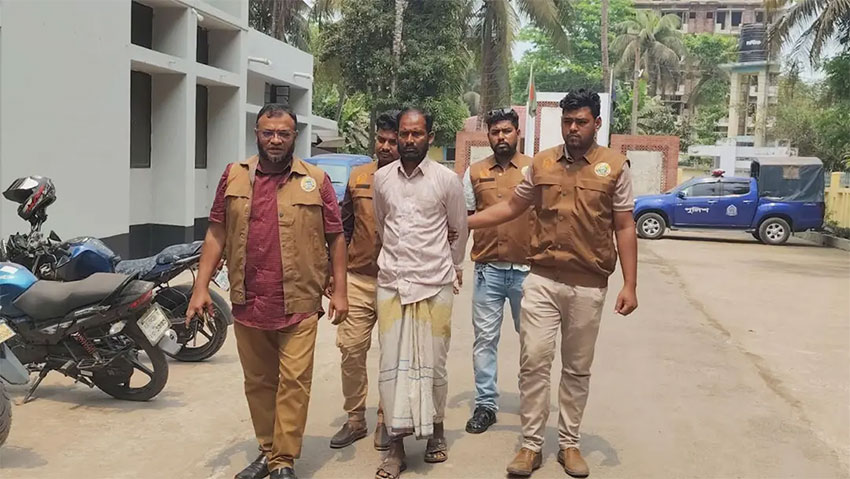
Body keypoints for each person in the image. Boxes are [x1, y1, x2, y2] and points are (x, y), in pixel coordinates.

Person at [468, 90, 639, 478]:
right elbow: (511, 206)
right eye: (567, 122)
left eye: (581, 122)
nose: (573, 128)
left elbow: (625, 226)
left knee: (577, 368)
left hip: (588, 285)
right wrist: (465, 221)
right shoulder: (542, 163)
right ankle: (530, 445)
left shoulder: (615, 167)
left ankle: (569, 444)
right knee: (534, 362)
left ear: (597, 123)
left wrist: (630, 284)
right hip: (542, 280)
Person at [186, 103, 349, 479]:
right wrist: (200, 286)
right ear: (257, 134)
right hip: (249, 299)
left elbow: (336, 236)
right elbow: (216, 232)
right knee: (259, 383)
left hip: (299, 300)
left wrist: (340, 290)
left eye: (283, 134)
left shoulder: (316, 180)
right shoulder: (234, 176)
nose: (275, 140)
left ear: (295, 136)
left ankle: (282, 461)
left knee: (294, 382)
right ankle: (267, 449)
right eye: (268, 133)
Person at [372, 107, 468, 479]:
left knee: (434, 363)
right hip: (393, 284)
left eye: (416, 134)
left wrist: (453, 267)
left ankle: (436, 430)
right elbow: (382, 224)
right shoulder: (382, 179)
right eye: (404, 133)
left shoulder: (447, 180)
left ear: (430, 136)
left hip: (435, 283)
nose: (409, 140)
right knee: (391, 366)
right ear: (396, 136)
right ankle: (395, 446)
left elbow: (458, 228)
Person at [330, 111, 400, 451]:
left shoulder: (412, 180)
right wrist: (335, 275)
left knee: (393, 354)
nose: (385, 146)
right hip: (358, 278)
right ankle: (355, 418)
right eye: (381, 140)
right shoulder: (358, 176)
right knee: (351, 348)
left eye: (392, 141)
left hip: (397, 282)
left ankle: (386, 419)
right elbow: (343, 228)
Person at [461, 107, 532, 434]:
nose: (501, 137)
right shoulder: (474, 172)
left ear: (517, 133)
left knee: (532, 340)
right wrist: (455, 264)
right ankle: (486, 404)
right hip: (487, 270)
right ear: (488, 136)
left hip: (527, 271)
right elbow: (464, 220)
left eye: (506, 131)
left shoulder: (535, 169)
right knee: (485, 340)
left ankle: (531, 398)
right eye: (495, 132)